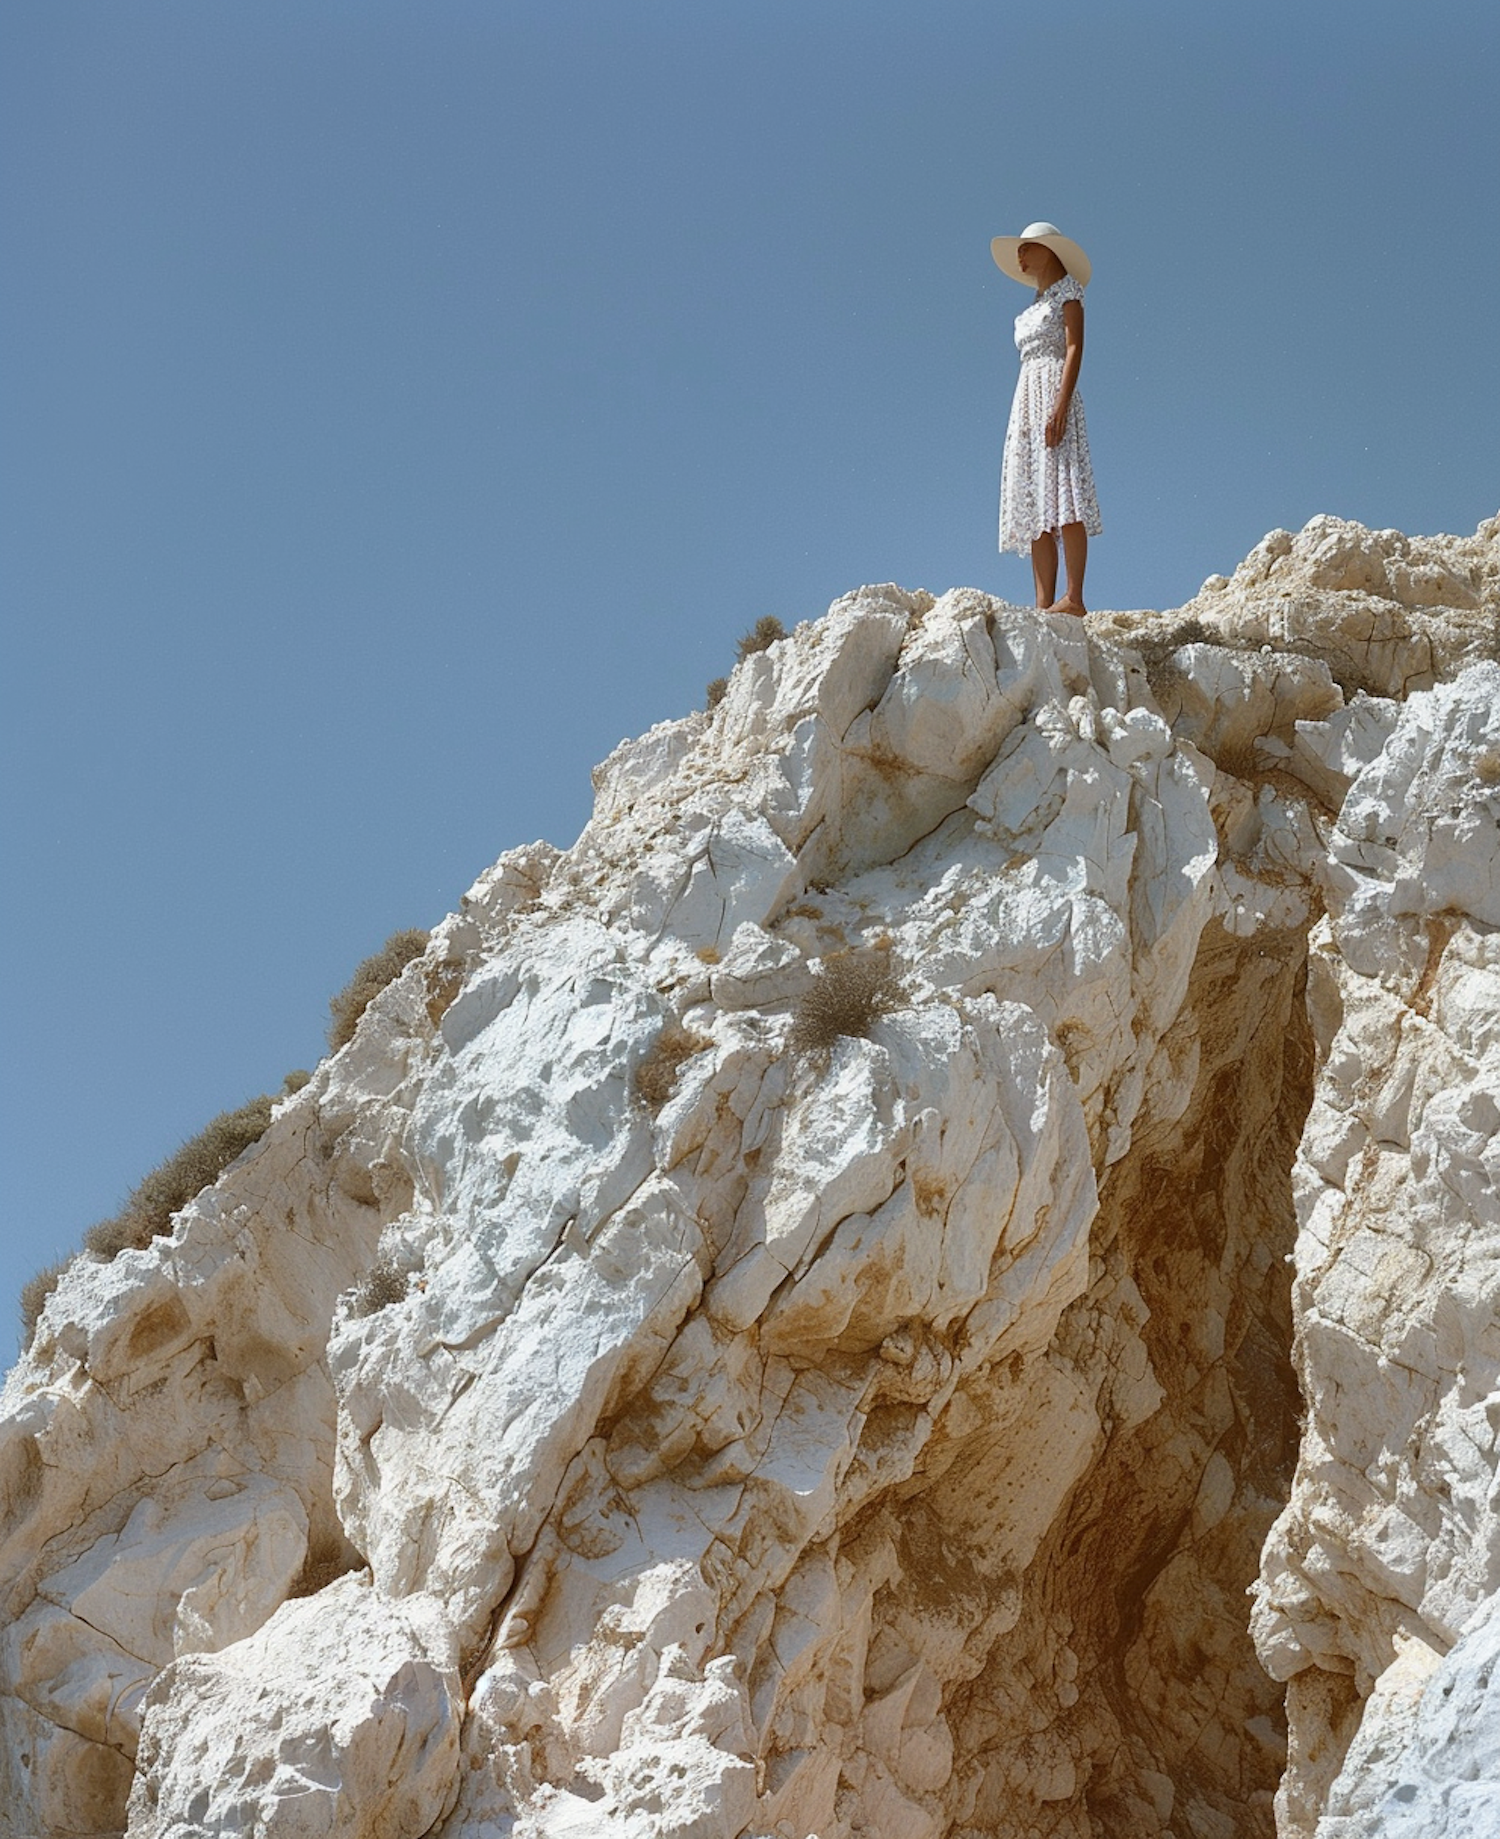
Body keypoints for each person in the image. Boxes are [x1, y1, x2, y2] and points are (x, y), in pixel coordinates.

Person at [991, 221, 1101, 615]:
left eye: (1027, 247)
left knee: (1064, 490)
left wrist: (1060, 405)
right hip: (1026, 395)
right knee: (1036, 496)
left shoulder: (1068, 294)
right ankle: (1042, 604)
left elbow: (1074, 347)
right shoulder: (1031, 309)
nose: (1020, 256)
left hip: (1054, 388)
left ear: (1049, 250)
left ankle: (1074, 597)